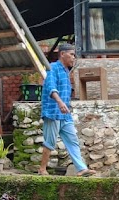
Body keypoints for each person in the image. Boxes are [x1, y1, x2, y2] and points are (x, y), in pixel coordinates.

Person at [40, 43, 95, 177]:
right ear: (62, 54)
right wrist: (59, 102)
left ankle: (81, 168)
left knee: (73, 140)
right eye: (71, 54)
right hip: (53, 111)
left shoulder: (66, 71)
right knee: (50, 142)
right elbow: (50, 87)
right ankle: (42, 169)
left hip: (65, 115)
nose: (73, 57)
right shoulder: (52, 68)